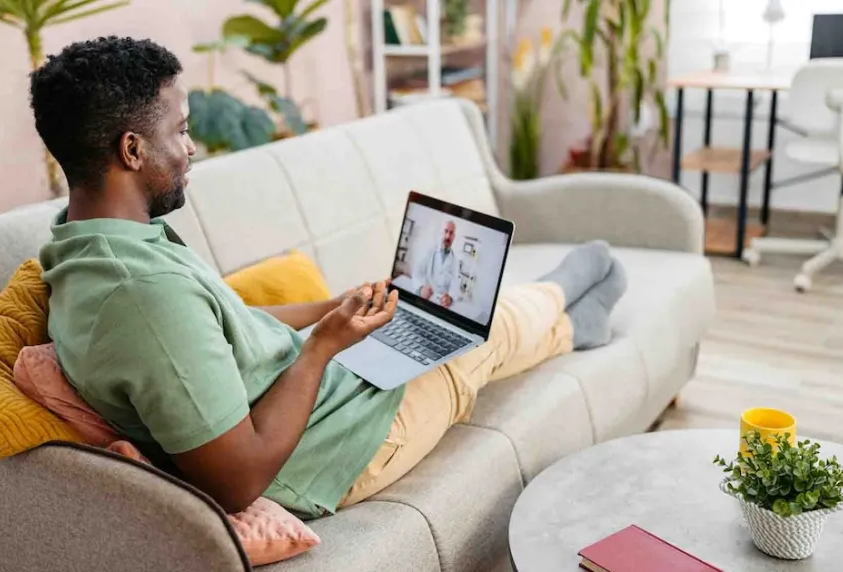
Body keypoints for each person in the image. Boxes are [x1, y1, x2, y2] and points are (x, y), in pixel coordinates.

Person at [33, 36, 627, 520]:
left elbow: (219, 335)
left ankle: (566, 312)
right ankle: (564, 303)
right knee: (476, 330)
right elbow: (239, 479)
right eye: (180, 131)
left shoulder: (85, 243)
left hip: (322, 395)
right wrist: (323, 347)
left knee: (431, 316)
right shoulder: (140, 296)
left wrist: (329, 310)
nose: (191, 149)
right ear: (132, 150)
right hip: (333, 448)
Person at [416, 220, 457, 308]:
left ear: (454, 237)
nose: (448, 236)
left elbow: (455, 287)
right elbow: (416, 273)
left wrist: (450, 298)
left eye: (451, 233)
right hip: (424, 299)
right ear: (441, 233)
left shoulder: (455, 261)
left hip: (440, 306)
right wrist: (420, 289)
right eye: (446, 231)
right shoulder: (429, 251)